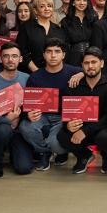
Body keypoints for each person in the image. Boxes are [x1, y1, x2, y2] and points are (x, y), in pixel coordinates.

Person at [18, 38, 81, 171]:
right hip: (43, 116)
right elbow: (27, 104)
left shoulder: (74, 72)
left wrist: (82, 74)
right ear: (44, 54)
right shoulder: (35, 77)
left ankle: (60, 151)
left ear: (63, 55)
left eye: (57, 51)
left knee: (56, 144)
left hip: (63, 118)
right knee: (25, 127)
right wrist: (28, 114)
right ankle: (44, 153)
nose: (53, 55)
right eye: (49, 51)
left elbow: (98, 72)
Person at [56, 47, 107, 174]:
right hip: (80, 126)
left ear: (101, 63)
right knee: (62, 135)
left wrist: (85, 131)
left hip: (102, 127)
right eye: (86, 63)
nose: (90, 66)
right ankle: (84, 156)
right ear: (82, 65)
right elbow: (65, 111)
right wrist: (68, 124)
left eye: (94, 62)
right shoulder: (74, 85)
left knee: (104, 137)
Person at [0, 42, 34, 178]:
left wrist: (22, 117)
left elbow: (33, 105)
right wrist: (7, 119)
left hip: (20, 129)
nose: (10, 60)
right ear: (0, 59)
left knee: (24, 168)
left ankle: (15, 153)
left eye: (14, 56)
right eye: (6, 56)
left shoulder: (27, 79)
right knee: (3, 129)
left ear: (20, 59)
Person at [17, 0, 67, 73]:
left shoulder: (59, 29)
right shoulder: (26, 27)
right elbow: (22, 51)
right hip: (30, 72)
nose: (47, 9)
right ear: (35, 10)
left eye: (49, 6)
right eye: (42, 6)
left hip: (55, 72)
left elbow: (63, 52)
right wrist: (36, 71)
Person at [60, 0, 96, 67]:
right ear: (73, 2)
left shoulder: (94, 19)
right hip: (72, 58)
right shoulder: (66, 21)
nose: (82, 3)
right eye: (78, 0)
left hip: (92, 57)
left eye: (84, 0)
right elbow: (64, 44)